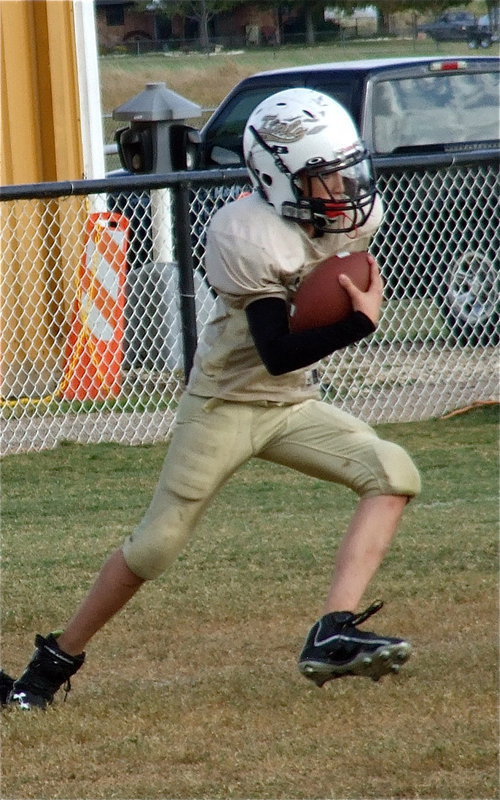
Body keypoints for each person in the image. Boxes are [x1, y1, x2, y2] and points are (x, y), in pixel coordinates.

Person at [6, 88, 421, 710]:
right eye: (324, 176)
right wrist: (357, 325)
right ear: (278, 176)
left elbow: (296, 349)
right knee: (155, 546)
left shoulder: (346, 218)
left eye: (345, 170)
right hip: (226, 404)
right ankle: (50, 666)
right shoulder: (243, 232)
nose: (343, 188)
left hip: (292, 405)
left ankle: (332, 630)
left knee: (394, 472)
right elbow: (277, 348)